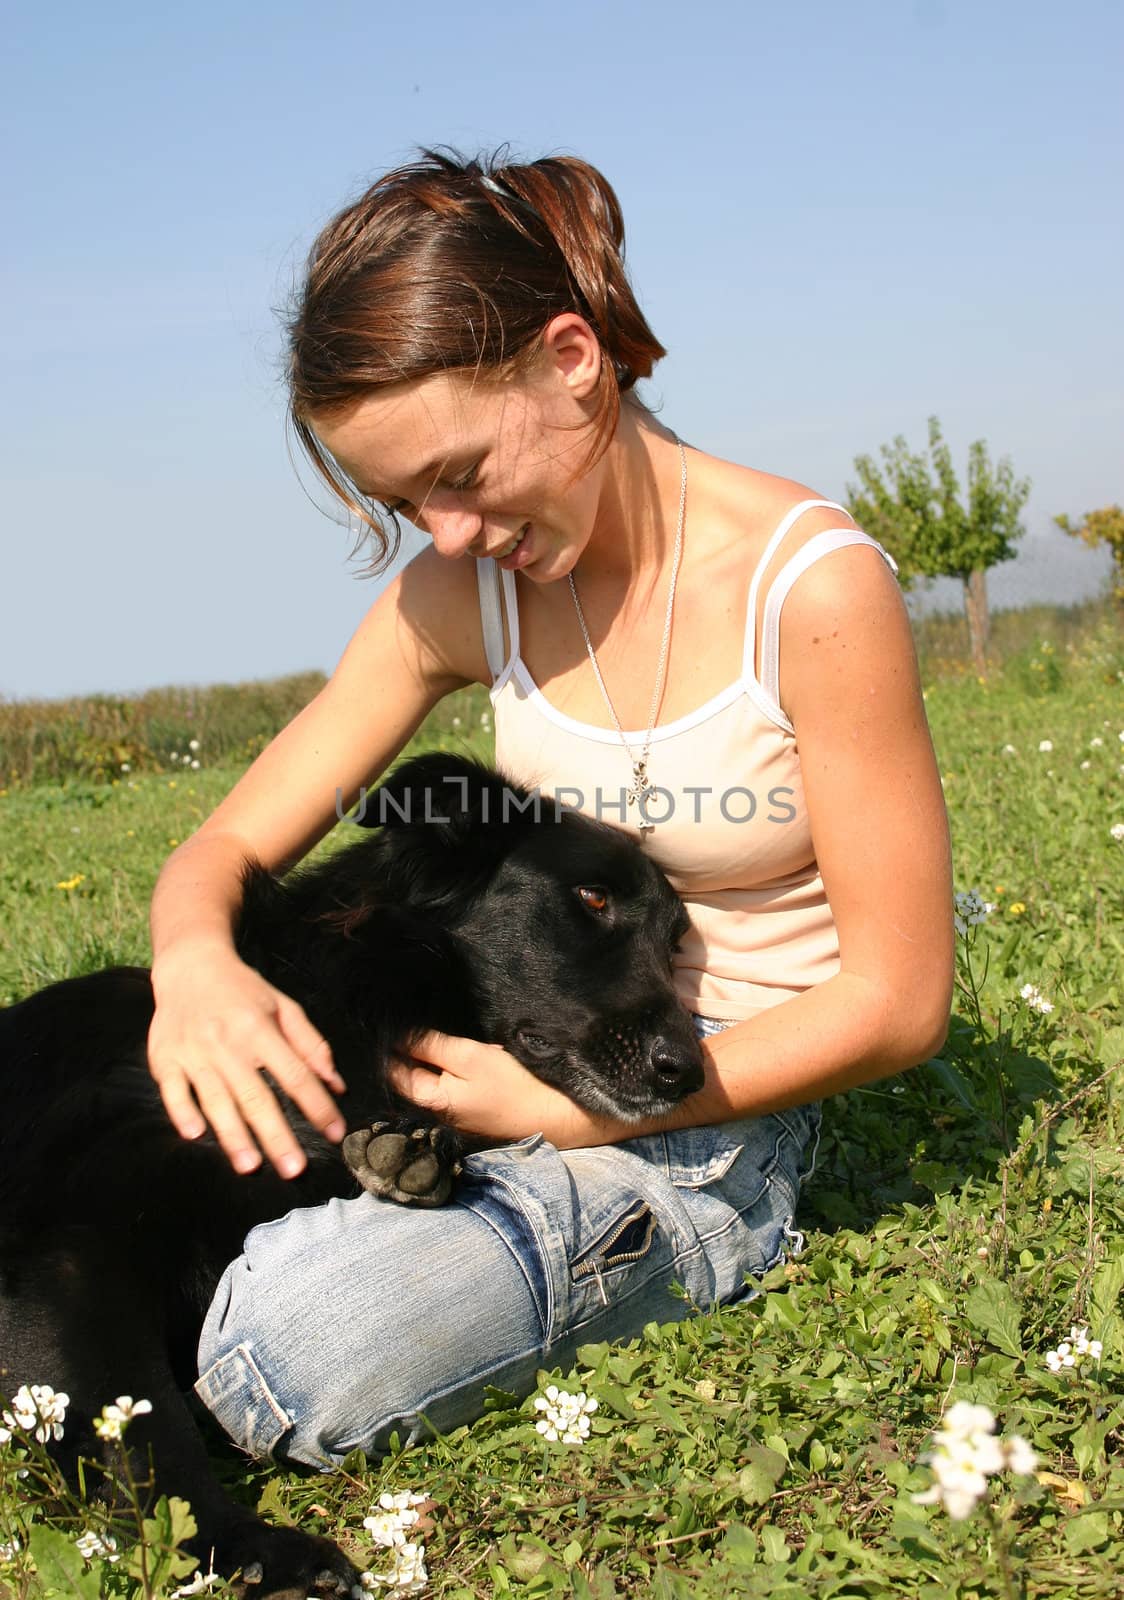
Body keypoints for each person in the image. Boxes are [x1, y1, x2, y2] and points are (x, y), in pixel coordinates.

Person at [148, 149, 953, 1466]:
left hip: (711, 1097)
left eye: (457, 472)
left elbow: (902, 1001)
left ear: (572, 358)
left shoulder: (806, 589)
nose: (444, 532)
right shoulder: (464, 596)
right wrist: (191, 961)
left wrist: (586, 1116)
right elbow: (229, 841)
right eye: (405, 501)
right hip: (502, 1057)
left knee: (284, 1351)